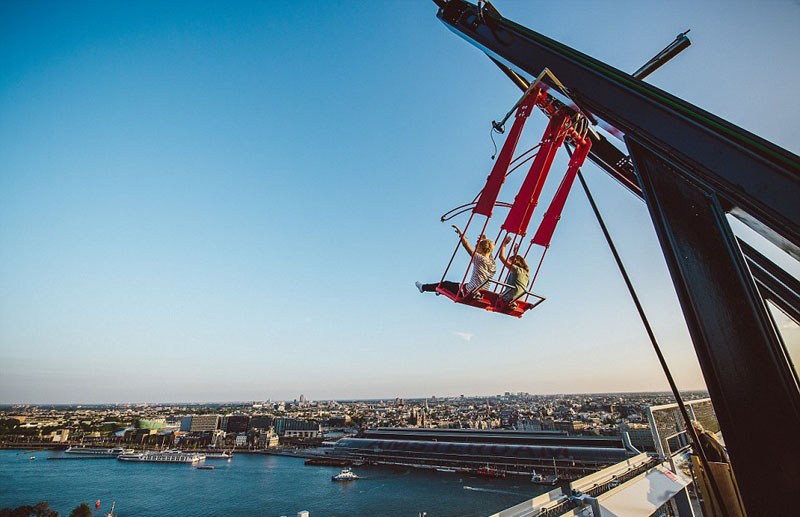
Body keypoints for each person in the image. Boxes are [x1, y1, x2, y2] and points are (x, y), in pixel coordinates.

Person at [416, 225, 496, 299]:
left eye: (477, 247)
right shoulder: (493, 264)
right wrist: (484, 240)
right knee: (453, 285)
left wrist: (461, 234)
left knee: (444, 284)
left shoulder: (479, 259)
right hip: (483, 293)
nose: (476, 249)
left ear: (481, 249)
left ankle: (423, 287)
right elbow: (489, 251)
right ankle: (439, 291)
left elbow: (466, 244)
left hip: (468, 291)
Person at [497, 235, 530, 309]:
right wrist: (515, 253)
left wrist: (504, 244)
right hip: (519, 301)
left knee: (496, 297)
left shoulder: (516, 269)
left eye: (509, 261)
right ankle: (513, 304)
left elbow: (501, 257)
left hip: (508, 299)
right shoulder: (526, 274)